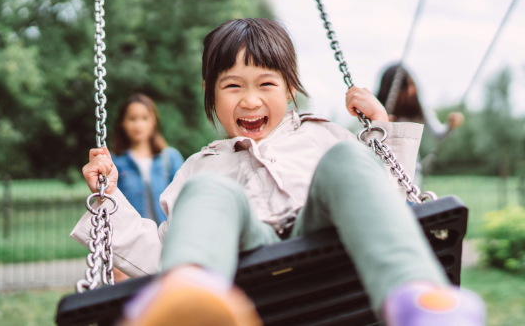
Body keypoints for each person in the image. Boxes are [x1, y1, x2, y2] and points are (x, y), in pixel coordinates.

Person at [73, 18, 484, 326]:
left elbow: (384, 209)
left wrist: (383, 134)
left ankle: (416, 298)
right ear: (210, 93)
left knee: (348, 161)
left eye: (266, 84)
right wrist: (108, 202)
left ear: (289, 88)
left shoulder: (326, 136)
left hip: (324, 241)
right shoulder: (199, 167)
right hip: (243, 263)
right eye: (232, 86)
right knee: (208, 191)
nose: (250, 100)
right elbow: (165, 251)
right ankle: (191, 297)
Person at [377, 64, 464, 181]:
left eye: (412, 85)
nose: (411, 91)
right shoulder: (378, 109)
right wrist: (381, 124)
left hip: (409, 171)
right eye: (405, 87)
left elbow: (438, 135)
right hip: (382, 168)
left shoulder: (418, 109)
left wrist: (450, 126)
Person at [111, 94, 184, 225]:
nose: (139, 124)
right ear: (122, 123)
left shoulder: (170, 158)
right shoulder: (115, 162)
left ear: (153, 121)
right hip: (132, 237)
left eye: (144, 118)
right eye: (132, 119)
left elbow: (184, 199)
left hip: (166, 238)